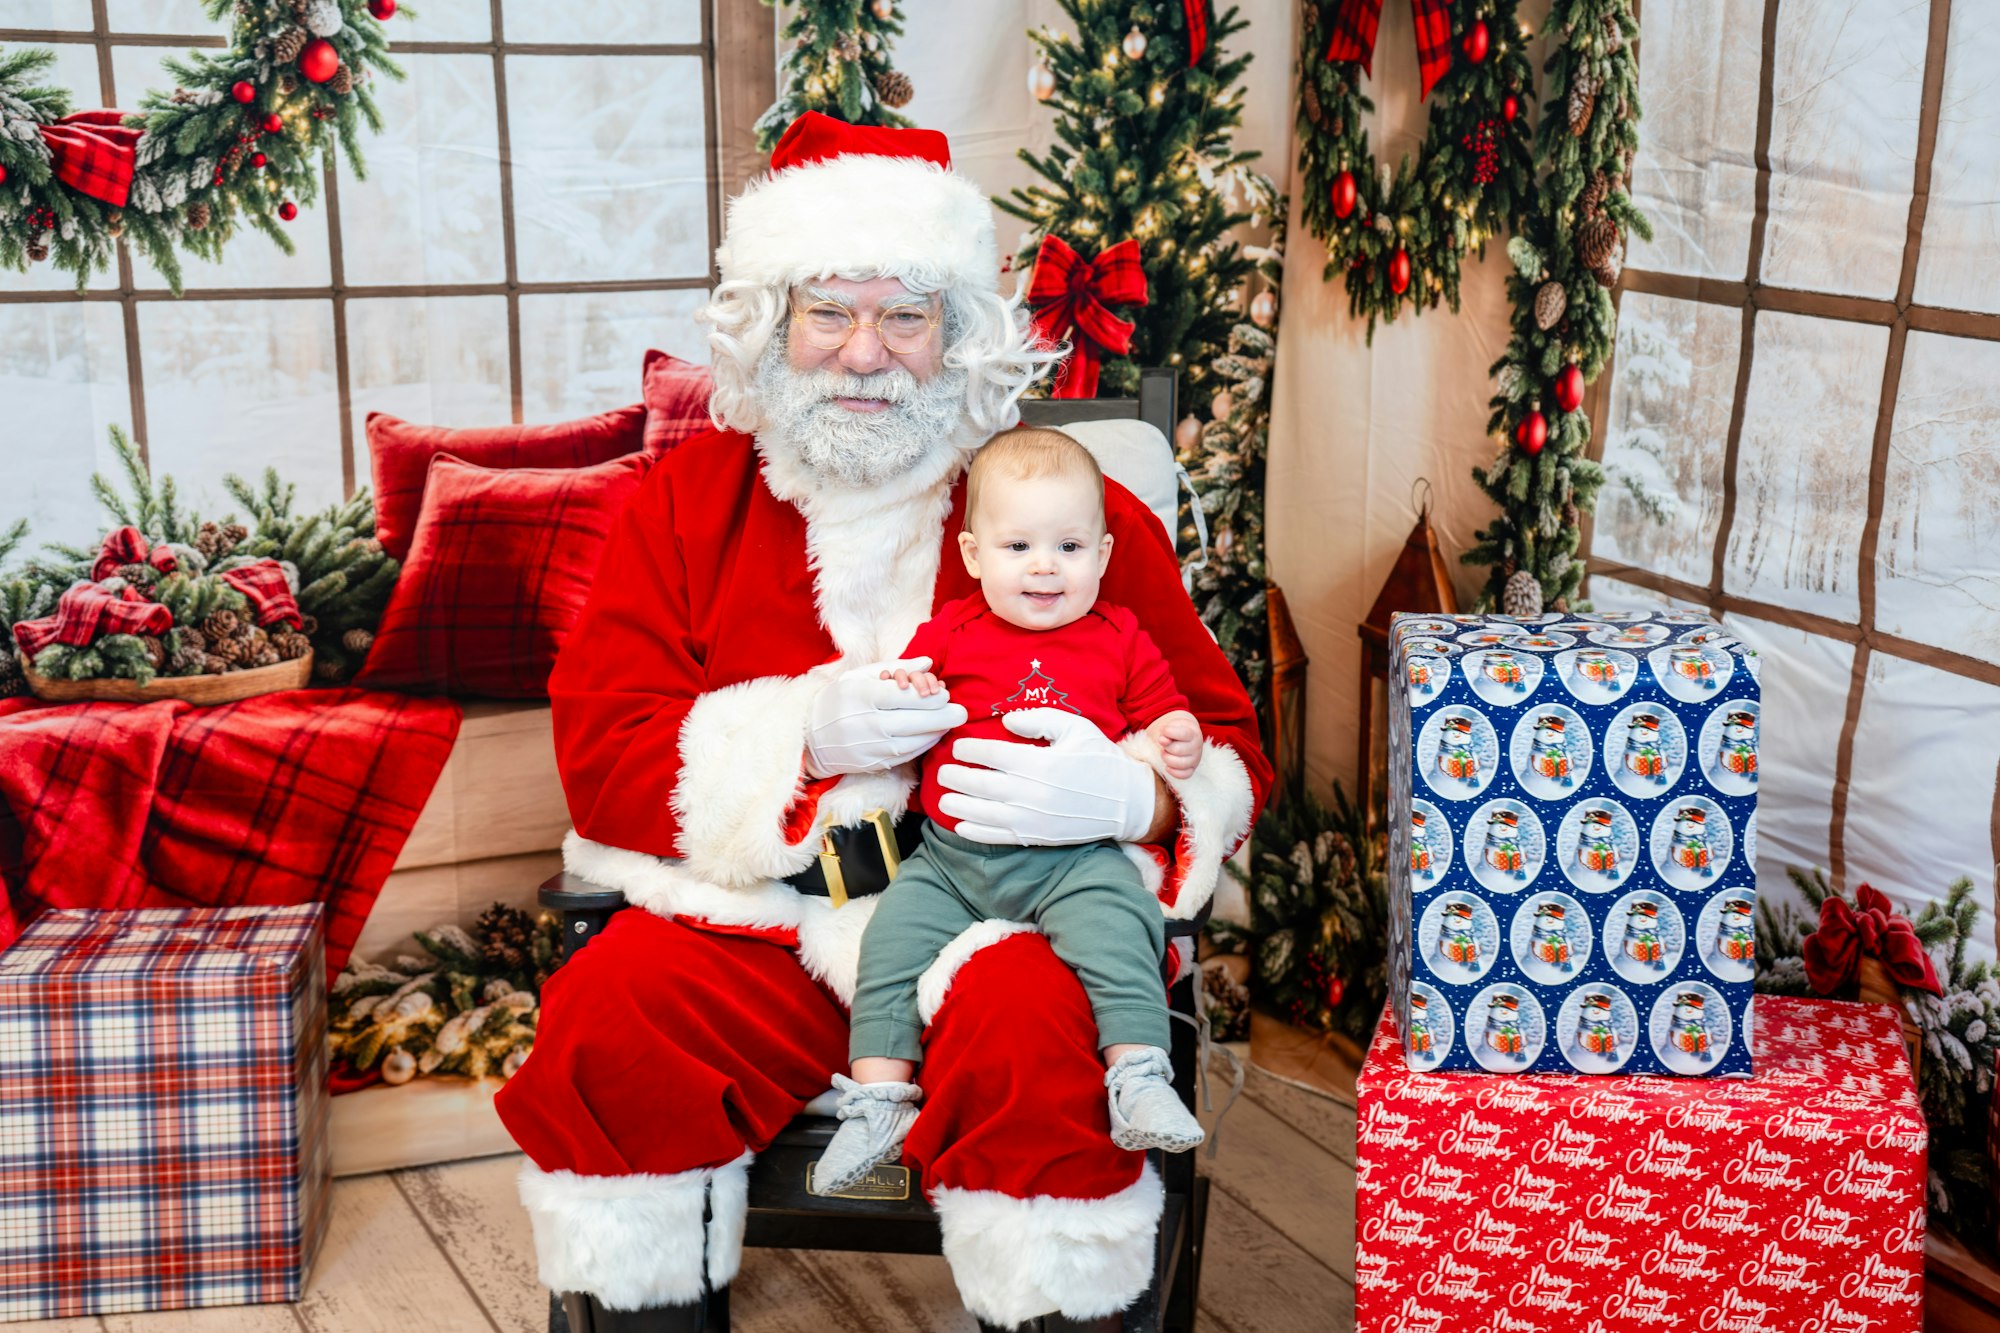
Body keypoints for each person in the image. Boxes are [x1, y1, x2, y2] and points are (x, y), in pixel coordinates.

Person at [493, 112, 1270, 1333]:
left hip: (1014, 911)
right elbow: (601, 746)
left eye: (903, 313)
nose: (864, 352)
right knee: (613, 1025)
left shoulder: (1065, 509)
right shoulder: (686, 502)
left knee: (1038, 1041)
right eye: (828, 312)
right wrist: (797, 740)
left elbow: (1223, 736)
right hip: (762, 917)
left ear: (954, 334)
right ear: (772, 327)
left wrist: (1142, 800)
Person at [812, 429, 1210, 1197]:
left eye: (1067, 546)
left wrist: (1172, 741)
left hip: (1073, 858)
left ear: (1100, 554)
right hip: (951, 860)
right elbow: (906, 687)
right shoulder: (953, 630)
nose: (1043, 565)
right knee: (888, 946)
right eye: (1018, 543)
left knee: (1120, 930)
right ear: (972, 555)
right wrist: (909, 693)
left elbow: (1165, 714)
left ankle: (1138, 1075)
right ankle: (877, 1099)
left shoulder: (1120, 636)